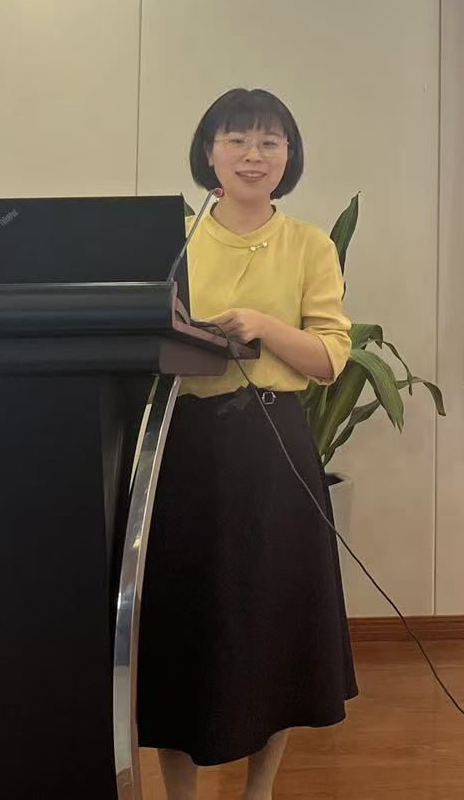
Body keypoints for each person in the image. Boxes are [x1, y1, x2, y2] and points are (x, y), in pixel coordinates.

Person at [137, 87, 358, 800]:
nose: (253, 156)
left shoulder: (310, 245)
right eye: (236, 140)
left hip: (272, 451)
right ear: (210, 152)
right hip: (183, 450)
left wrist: (264, 326)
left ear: (289, 156)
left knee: (273, 621)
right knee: (178, 623)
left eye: (269, 142)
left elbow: (329, 358)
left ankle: (258, 790)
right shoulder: (173, 241)